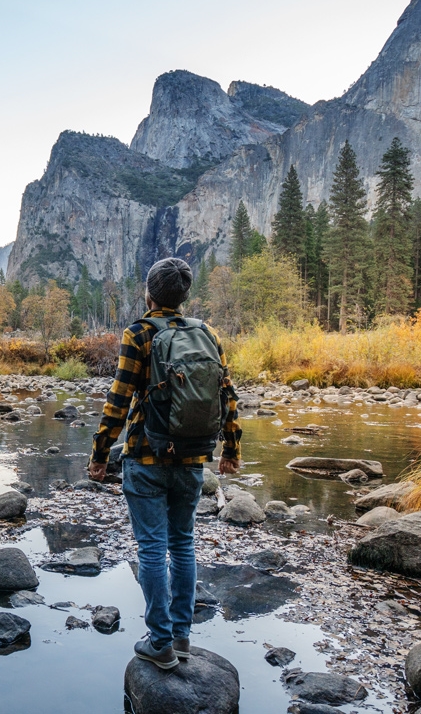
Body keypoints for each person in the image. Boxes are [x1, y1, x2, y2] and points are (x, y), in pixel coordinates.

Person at [88, 257, 240, 670]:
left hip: (146, 455)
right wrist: (232, 450)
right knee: (183, 543)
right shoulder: (206, 332)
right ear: (184, 296)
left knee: (152, 549)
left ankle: (159, 642)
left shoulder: (138, 333)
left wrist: (100, 454)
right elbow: (226, 395)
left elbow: (118, 400)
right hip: (192, 457)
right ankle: (182, 636)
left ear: (149, 293)